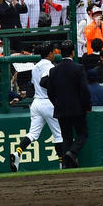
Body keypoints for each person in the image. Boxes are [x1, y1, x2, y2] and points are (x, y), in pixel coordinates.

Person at [11, 43, 63, 171]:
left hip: (36, 103)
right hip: (48, 102)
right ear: (50, 53)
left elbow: (34, 85)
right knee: (58, 135)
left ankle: (18, 152)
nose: (55, 54)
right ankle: (63, 164)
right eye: (53, 52)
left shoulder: (35, 67)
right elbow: (46, 84)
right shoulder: (51, 67)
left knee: (33, 133)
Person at [48, 40, 91, 168]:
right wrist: (87, 106)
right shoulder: (78, 68)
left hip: (61, 109)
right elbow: (84, 90)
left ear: (60, 53)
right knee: (82, 134)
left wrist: (57, 103)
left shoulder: (54, 70)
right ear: (73, 53)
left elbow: (50, 92)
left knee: (66, 137)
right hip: (77, 108)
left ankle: (67, 165)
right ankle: (72, 153)